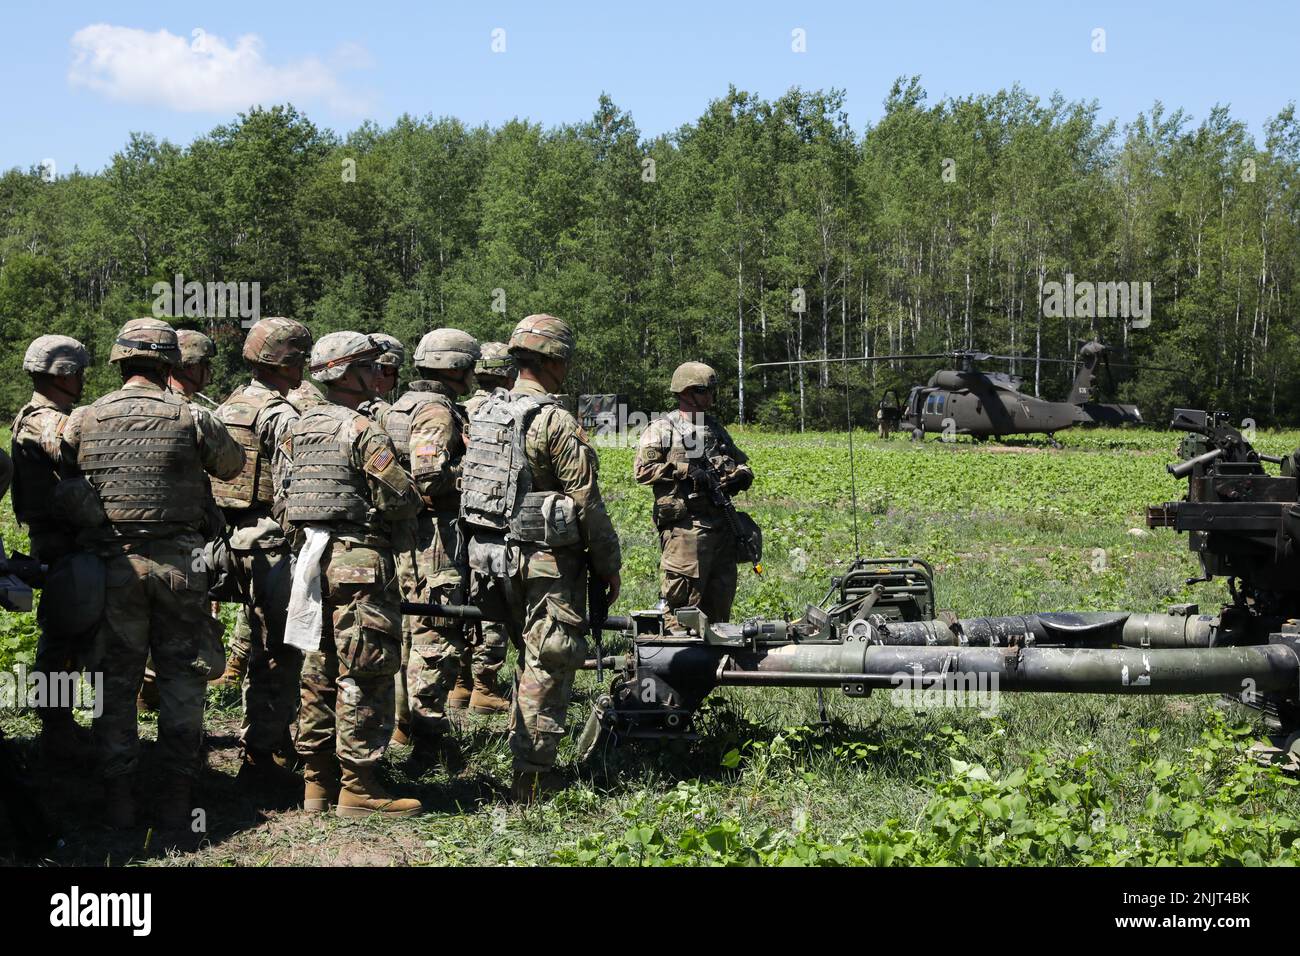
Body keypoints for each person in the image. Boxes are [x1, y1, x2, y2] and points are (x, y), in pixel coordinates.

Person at [61, 318, 244, 829]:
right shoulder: (189, 417)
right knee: (183, 680)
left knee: (114, 683)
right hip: (180, 568)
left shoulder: (83, 417)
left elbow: (65, 473)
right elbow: (230, 467)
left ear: (120, 361)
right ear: (169, 364)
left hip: (112, 569)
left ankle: (119, 798)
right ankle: (176, 797)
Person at [460, 314, 621, 801]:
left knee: (526, 660)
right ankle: (532, 778)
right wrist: (609, 562)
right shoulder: (553, 419)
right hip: (546, 565)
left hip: (490, 560)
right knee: (549, 664)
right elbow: (586, 500)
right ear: (555, 360)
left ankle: (521, 756)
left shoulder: (487, 411)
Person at [285, 331, 424, 817]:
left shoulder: (298, 428)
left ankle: (316, 784)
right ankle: (360, 787)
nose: (377, 374)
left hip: (308, 559)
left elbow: (286, 496)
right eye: (369, 366)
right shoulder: (362, 429)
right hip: (357, 561)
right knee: (365, 669)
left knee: (317, 669)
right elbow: (400, 498)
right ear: (347, 373)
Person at [209, 317, 313, 783]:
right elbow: (296, 485)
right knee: (280, 649)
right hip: (269, 541)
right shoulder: (280, 413)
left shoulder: (228, 403)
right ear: (285, 362)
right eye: (300, 358)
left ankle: (266, 743)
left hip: (223, 539)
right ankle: (262, 753)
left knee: (255, 642)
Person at [382, 329, 485, 769]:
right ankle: (428, 740)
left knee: (407, 631)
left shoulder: (396, 407)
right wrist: (476, 480)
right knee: (435, 633)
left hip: (406, 533)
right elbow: (428, 475)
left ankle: (403, 725)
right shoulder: (436, 413)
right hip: (433, 537)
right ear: (457, 368)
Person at [10, 334, 90, 760]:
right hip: (59, 540)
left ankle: (60, 724)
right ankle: (54, 726)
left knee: (71, 637)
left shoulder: (58, 413)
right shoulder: (40, 418)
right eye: (78, 373)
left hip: (69, 537)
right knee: (61, 635)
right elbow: (68, 448)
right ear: (64, 375)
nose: (82, 380)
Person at [634, 362, 753, 627]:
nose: (710, 396)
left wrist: (742, 475)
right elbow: (642, 471)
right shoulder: (664, 428)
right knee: (683, 608)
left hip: (721, 525)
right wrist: (683, 470)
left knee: (720, 603)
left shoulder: (714, 428)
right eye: (703, 390)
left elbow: (740, 460)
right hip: (686, 529)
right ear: (685, 392)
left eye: (712, 390)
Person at [455, 341, 517, 713]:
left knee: (461, 599)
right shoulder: (505, 410)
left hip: (459, 518)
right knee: (493, 603)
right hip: (494, 521)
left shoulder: (462, 409)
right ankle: (484, 684)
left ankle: (460, 683)